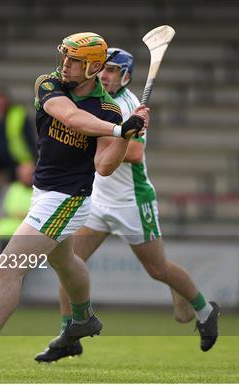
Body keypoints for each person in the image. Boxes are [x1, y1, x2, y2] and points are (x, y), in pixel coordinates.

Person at [0, 32, 149, 375]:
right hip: (43, 192)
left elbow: (104, 166)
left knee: (9, 266)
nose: (65, 63)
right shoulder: (50, 84)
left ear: (92, 67)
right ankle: (83, 318)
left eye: (74, 60)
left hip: (70, 198)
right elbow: (71, 118)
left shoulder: (108, 109)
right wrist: (121, 129)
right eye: (65, 56)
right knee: (65, 261)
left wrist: (126, 137)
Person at [34, 48, 220, 363]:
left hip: (132, 201)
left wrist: (106, 133)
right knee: (69, 264)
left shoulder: (130, 105)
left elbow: (135, 154)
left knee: (157, 269)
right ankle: (70, 334)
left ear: (126, 76)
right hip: (98, 200)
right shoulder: (92, 98)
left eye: (113, 71)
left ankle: (205, 310)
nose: (105, 75)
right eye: (102, 69)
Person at [0, 162, 35, 251]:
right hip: (6, 233)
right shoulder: (10, 189)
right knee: (5, 263)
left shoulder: (39, 191)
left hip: (29, 235)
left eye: (29, 175)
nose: (27, 177)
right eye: (24, 175)